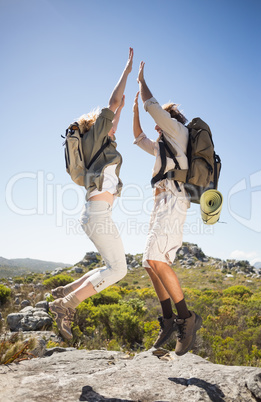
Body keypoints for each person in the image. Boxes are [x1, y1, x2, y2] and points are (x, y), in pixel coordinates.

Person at [48, 48, 134, 340]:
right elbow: (112, 103)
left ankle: (65, 291)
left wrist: (123, 107)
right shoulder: (97, 136)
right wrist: (126, 71)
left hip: (96, 214)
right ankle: (66, 304)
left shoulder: (97, 144)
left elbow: (116, 108)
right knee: (119, 270)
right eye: (108, 121)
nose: (112, 125)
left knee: (110, 266)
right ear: (97, 124)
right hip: (97, 215)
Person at [133, 61, 202, 356]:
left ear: (168, 118)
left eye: (159, 119)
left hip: (174, 202)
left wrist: (141, 82)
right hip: (160, 205)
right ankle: (168, 319)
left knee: (159, 259)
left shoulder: (177, 132)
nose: (155, 125)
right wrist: (134, 110)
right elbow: (138, 138)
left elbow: (153, 105)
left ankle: (187, 318)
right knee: (149, 262)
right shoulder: (163, 144)